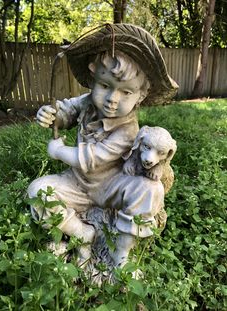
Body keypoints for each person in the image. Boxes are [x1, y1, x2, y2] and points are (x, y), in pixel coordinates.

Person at [28, 24, 178, 267]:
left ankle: (121, 257)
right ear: (92, 79)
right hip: (76, 182)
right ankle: (81, 234)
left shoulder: (129, 130)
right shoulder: (87, 102)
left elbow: (92, 157)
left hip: (111, 186)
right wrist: (52, 116)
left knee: (149, 190)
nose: (112, 99)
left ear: (140, 95)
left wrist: (58, 151)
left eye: (126, 92)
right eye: (105, 86)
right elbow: (67, 112)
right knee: (38, 191)